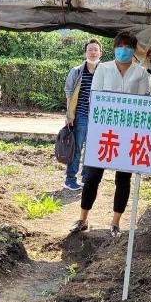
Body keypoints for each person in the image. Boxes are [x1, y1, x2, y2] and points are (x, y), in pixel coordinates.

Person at [70, 31, 151, 237]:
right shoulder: (103, 69)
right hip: (104, 133)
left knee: (123, 180)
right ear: (115, 48)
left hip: (129, 135)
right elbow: (94, 99)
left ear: (134, 50)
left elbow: (146, 103)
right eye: (120, 46)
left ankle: (115, 223)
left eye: (128, 47)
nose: (124, 50)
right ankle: (83, 218)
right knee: (92, 177)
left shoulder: (142, 74)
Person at [63, 38, 103, 190]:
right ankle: (70, 179)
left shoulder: (105, 72)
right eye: (90, 49)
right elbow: (69, 93)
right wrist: (69, 115)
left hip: (98, 117)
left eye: (95, 49)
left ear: (101, 53)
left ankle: (86, 178)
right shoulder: (76, 71)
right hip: (80, 115)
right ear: (85, 53)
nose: (93, 52)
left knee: (92, 149)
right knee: (76, 147)